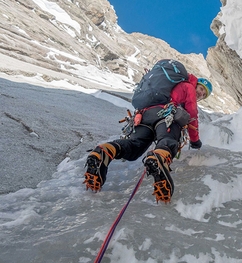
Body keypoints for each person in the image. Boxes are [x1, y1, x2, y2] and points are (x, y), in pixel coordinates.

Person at [83, 61, 213, 203]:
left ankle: (105, 150)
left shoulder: (166, 87)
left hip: (144, 115)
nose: (200, 93)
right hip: (167, 115)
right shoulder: (188, 87)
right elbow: (192, 114)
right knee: (168, 140)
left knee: (134, 147)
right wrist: (195, 141)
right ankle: (159, 158)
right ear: (195, 84)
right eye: (200, 88)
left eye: (203, 94)